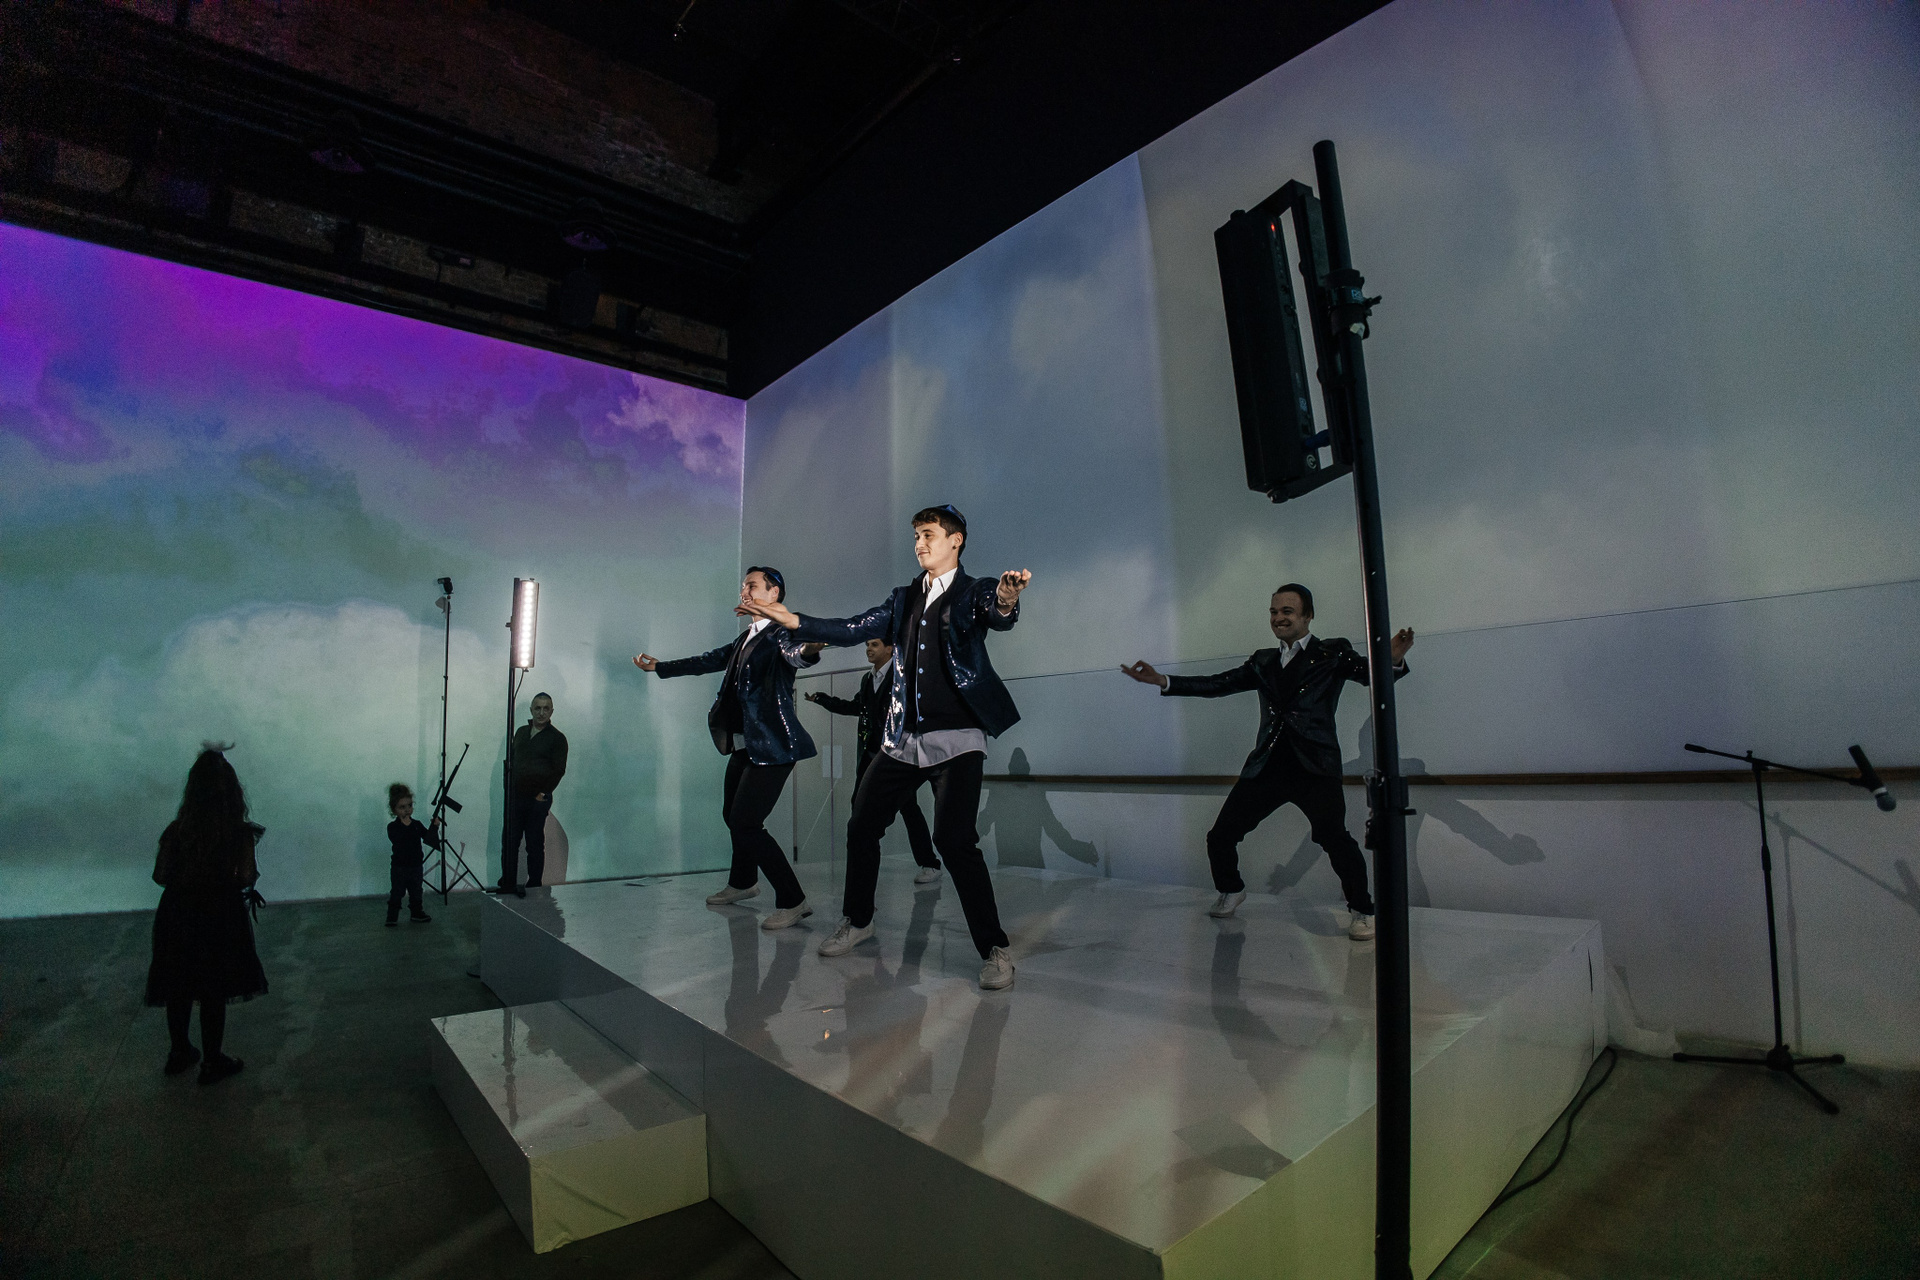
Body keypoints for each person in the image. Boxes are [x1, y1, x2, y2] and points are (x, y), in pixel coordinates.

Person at [738, 506, 1032, 991]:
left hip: (957, 739)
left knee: (954, 841)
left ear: (955, 540)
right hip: (901, 739)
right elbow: (852, 628)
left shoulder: (973, 591)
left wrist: (1005, 599)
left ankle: (994, 948)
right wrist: (792, 619)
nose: (920, 543)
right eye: (916, 536)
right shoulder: (902, 599)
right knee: (861, 825)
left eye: (929, 534)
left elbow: (995, 611)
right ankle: (858, 920)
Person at [1120, 582, 1413, 939]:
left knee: (1334, 838)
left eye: (1287, 611)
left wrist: (1391, 659)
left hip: (1314, 767)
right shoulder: (1262, 660)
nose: (1278, 618)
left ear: (1308, 616)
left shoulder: (1332, 652)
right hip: (1267, 765)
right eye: (1274, 612)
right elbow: (1219, 684)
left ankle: (1363, 910)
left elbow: (1369, 675)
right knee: (1221, 836)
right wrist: (1163, 680)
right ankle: (1231, 889)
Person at [635, 567, 825, 931]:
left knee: (746, 821)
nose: (744, 591)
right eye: (743, 586)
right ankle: (743, 882)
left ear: (774, 593)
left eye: (752, 585)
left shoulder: (780, 633)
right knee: (732, 815)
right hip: (745, 745)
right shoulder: (746, 638)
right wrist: (661, 667)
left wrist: (811, 650)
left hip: (775, 746)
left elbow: (796, 653)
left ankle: (793, 899)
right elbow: (709, 660)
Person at [145, 745, 269, 1085]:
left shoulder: (177, 830)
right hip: (220, 915)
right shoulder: (239, 833)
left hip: (178, 914)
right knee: (214, 986)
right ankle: (213, 1060)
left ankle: (179, 1052)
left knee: (179, 983)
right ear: (231, 791)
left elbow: (159, 875)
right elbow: (246, 876)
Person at [805, 637, 943, 884]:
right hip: (871, 757)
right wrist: (823, 699)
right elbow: (857, 707)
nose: (869, 649)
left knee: (908, 809)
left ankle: (929, 863)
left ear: (890, 648)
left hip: (896, 757)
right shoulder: (868, 679)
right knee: (860, 808)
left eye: (875, 644)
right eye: (867, 644)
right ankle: (862, 869)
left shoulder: (902, 676)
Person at [498, 692, 567, 896]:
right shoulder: (521, 732)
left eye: (546, 708)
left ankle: (534, 885)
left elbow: (558, 770)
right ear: (531, 710)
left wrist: (542, 793)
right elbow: (511, 762)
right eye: (538, 708)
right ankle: (508, 883)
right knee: (509, 842)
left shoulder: (557, 738)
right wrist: (509, 790)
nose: (541, 712)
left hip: (537, 800)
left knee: (534, 843)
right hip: (515, 798)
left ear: (552, 711)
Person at [384, 783, 440, 926]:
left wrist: (434, 827)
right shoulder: (393, 827)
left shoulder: (417, 824)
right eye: (402, 807)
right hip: (399, 867)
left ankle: (416, 913)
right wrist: (405, 824)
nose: (407, 810)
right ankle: (392, 916)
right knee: (397, 892)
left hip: (416, 866)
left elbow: (428, 839)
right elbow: (397, 839)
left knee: (416, 892)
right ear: (394, 810)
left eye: (409, 805)